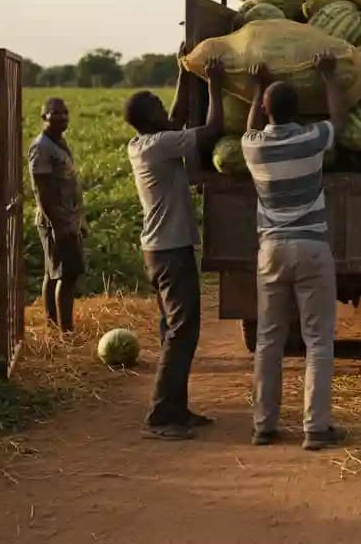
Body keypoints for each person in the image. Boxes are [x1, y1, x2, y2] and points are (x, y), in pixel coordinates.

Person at [241, 53, 346, 451]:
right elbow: (340, 123)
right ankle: (315, 429)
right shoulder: (311, 139)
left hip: (270, 250)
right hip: (311, 247)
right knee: (318, 340)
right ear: (299, 110)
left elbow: (251, 126)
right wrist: (329, 78)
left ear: (266, 110)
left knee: (269, 340)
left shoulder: (252, 148)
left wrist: (255, 89)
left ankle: (263, 426)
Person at [123, 59, 226, 440]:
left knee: (173, 330)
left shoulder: (147, 143)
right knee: (183, 330)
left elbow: (179, 113)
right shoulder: (160, 145)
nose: (164, 107)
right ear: (148, 118)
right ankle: (161, 415)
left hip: (160, 249)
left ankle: (176, 408)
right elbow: (211, 128)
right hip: (170, 251)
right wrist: (213, 84)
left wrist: (185, 73)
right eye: (155, 104)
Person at [29, 98, 85, 333]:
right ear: (44, 118)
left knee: (53, 273)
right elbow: (41, 191)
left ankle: (53, 325)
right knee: (66, 274)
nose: (62, 117)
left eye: (65, 113)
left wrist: (78, 219)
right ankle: (66, 331)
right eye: (55, 113)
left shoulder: (58, 142)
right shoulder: (42, 147)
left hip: (66, 218)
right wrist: (57, 225)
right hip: (56, 220)